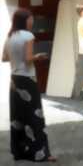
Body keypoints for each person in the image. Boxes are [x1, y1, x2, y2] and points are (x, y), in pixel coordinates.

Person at [2, 9, 56, 162]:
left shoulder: (10, 36)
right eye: (31, 19)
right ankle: (40, 152)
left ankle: (19, 151)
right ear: (25, 21)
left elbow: (4, 58)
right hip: (28, 79)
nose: (32, 21)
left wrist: (16, 59)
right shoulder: (28, 36)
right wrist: (38, 56)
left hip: (14, 79)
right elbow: (28, 58)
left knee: (17, 116)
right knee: (35, 116)